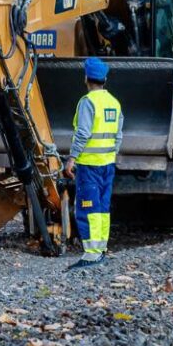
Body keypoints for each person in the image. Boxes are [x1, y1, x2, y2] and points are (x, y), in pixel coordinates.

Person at [63, 56, 123, 269]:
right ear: (105, 79)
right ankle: (100, 249)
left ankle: (91, 254)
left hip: (89, 165)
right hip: (108, 164)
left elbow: (83, 133)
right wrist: (111, 155)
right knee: (102, 207)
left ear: (86, 78)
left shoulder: (88, 102)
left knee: (87, 208)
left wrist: (72, 158)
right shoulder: (114, 103)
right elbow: (118, 136)